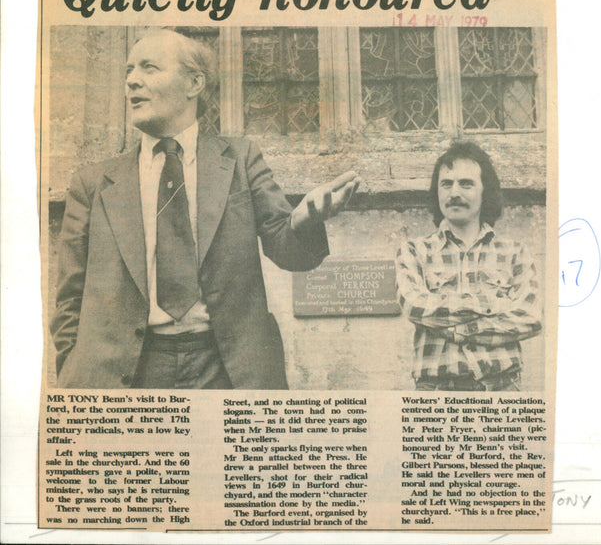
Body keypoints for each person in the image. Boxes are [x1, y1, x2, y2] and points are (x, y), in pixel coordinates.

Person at [51, 29, 360, 389]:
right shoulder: (93, 183)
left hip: (224, 369)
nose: (132, 81)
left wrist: (304, 219)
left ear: (194, 83)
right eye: (128, 71)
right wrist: (76, 369)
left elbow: (287, 251)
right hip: (125, 374)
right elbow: (69, 299)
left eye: (149, 68)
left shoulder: (241, 160)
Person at [395, 142, 541, 391]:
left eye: (466, 183)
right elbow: (415, 306)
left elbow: (530, 317)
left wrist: (458, 329)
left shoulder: (515, 252)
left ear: (486, 192)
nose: (454, 193)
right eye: (446, 184)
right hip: (435, 394)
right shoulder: (414, 251)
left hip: (502, 391)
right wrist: (494, 307)